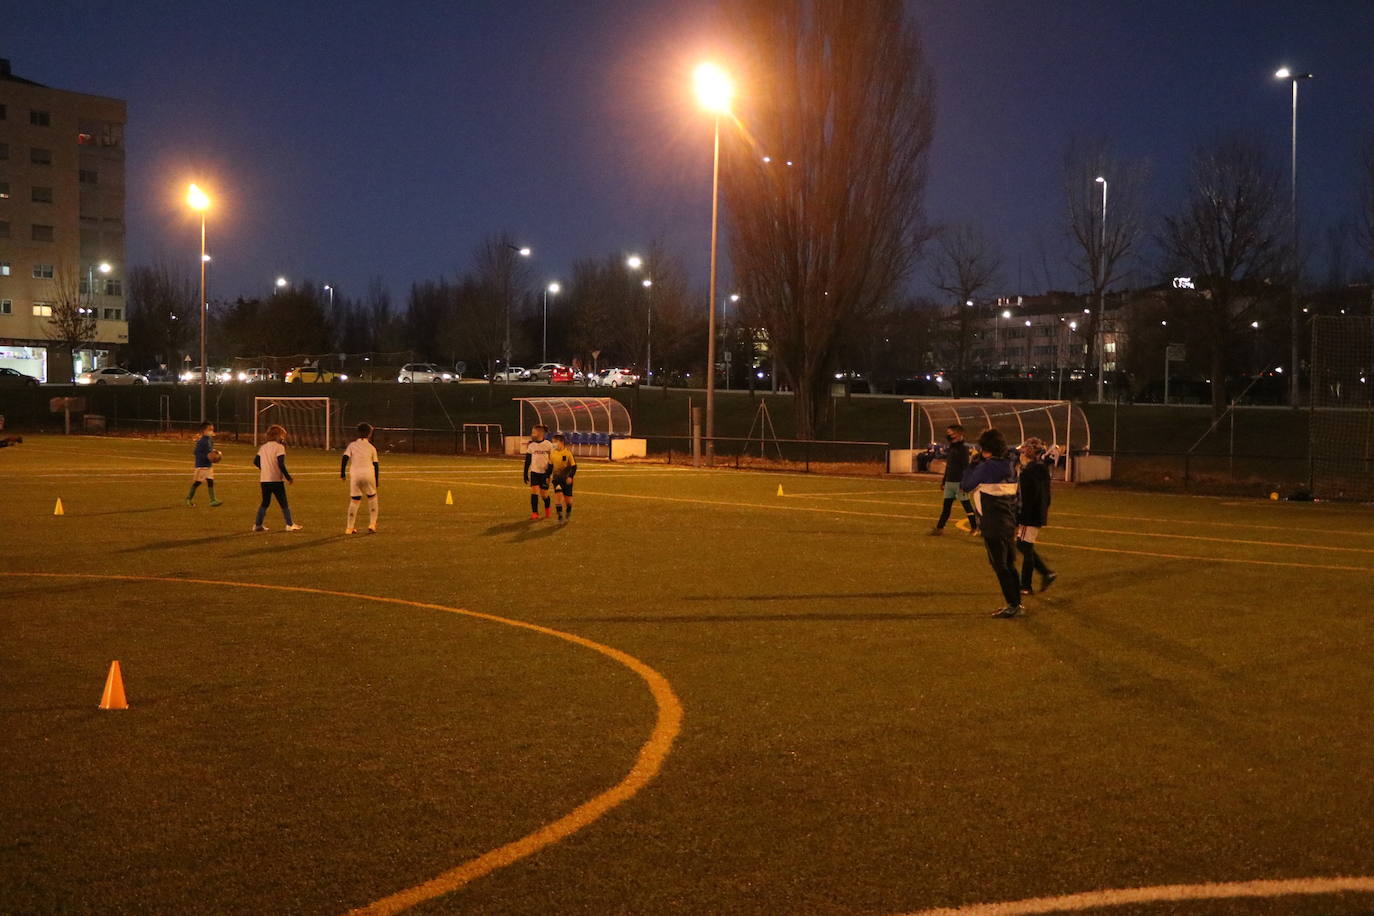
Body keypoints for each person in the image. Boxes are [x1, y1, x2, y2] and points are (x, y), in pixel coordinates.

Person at [961, 427, 1023, 618]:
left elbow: (966, 485)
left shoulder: (987, 466)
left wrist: (972, 465)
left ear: (985, 448)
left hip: (993, 522)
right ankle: (1017, 603)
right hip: (1009, 521)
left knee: (999, 565)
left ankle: (1012, 604)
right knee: (1009, 564)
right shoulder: (1010, 464)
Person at [1016, 437, 1058, 595]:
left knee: (1025, 547)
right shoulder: (1041, 468)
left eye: (1025, 449)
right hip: (1038, 512)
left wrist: (1020, 516)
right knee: (1023, 545)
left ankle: (1026, 585)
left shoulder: (1029, 470)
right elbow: (1045, 495)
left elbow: (1027, 497)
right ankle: (1046, 573)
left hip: (1030, 514)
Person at [928, 424, 978, 536]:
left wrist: (964, 483)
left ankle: (974, 528)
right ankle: (939, 528)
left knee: (967, 506)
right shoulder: (951, 447)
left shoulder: (963, 448)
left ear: (958, 434)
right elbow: (949, 466)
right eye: (948, 433)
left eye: (950, 433)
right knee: (946, 507)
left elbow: (966, 467)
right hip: (949, 482)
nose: (948, 435)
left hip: (959, 482)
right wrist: (944, 481)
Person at [253, 424, 301, 532]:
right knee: (283, 502)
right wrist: (288, 477)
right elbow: (281, 464)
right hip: (275, 479)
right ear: (278, 436)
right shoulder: (279, 447)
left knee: (265, 502)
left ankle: (257, 524)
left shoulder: (263, 447)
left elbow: (255, 461)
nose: (283, 438)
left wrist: (265, 468)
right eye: (282, 436)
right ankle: (289, 524)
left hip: (264, 480)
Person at [340, 422, 380, 534]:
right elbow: (376, 465)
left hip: (355, 475)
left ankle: (349, 527)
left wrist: (342, 473)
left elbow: (344, 458)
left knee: (355, 500)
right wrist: (376, 480)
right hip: (369, 475)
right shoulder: (371, 447)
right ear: (369, 434)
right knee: (372, 498)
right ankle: (372, 524)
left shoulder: (352, 445)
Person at [185, 421, 223, 508]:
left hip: (208, 465)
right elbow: (195, 452)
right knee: (197, 483)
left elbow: (210, 451)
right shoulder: (202, 441)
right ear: (204, 431)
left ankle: (213, 500)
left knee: (210, 482)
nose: (211, 431)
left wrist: (215, 453)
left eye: (212, 429)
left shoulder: (209, 440)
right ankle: (188, 499)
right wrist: (209, 456)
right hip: (201, 466)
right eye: (209, 429)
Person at [522, 424, 554, 520]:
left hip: (545, 474)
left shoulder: (548, 445)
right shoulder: (531, 445)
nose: (533, 434)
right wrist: (525, 473)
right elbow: (528, 460)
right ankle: (534, 513)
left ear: (541, 432)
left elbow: (552, 460)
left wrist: (548, 474)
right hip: (534, 473)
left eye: (534, 432)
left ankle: (547, 509)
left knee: (544, 494)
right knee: (534, 492)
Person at [548, 433, 577, 521]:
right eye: (552, 442)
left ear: (561, 442)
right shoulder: (552, 453)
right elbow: (550, 466)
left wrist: (570, 477)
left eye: (555, 442)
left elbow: (574, 466)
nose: (553, 444)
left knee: (568, 500)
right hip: (557, 479)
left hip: (566, 478)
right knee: (558, 494)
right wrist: (547, 476)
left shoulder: (568, 453)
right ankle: (560, 515)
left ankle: (568, 509)